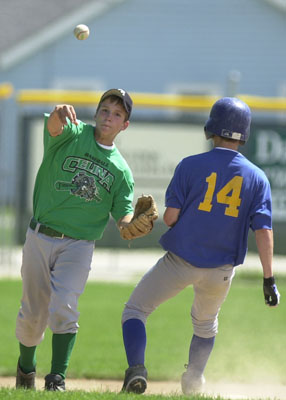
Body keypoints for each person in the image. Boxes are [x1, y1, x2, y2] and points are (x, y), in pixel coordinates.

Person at [120, 97, 280, 395]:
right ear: (244, 133)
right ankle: (193, 379)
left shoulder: (190, 165)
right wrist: (268, 279)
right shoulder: (257, 178)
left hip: (180, 262)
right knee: (205, 324)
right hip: (220, 271)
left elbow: (169, 218)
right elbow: (263, 230)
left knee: (135, 310)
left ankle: (136, 371)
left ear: (212, 128)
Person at [15, 88, 148, 391]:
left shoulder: (121, 171)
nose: (108, 117)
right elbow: (53, 128)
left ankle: (56, 378)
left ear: (124, 125)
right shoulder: (73, 133)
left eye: (117, 114)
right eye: (105, 110)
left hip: (79, 244)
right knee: (32, 315)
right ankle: (25, 372)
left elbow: (123, 216)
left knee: (64, 306)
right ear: (96, 112)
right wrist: (59, 113)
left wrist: (133, 224)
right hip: (40, 234)